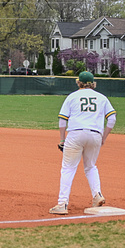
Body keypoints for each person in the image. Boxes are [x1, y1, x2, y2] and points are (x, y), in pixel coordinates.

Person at [49, 71, 116, 215]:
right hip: (95, 134)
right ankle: (97, 194)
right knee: (91, 167)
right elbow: (112, 119)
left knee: (68, 168)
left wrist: (62, 139)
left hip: (76, 134)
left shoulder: (72, 97)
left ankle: (62, 203)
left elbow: (62, 120)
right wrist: (103, 137)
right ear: (93, 83)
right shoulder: (102, 98)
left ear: (78, 82)